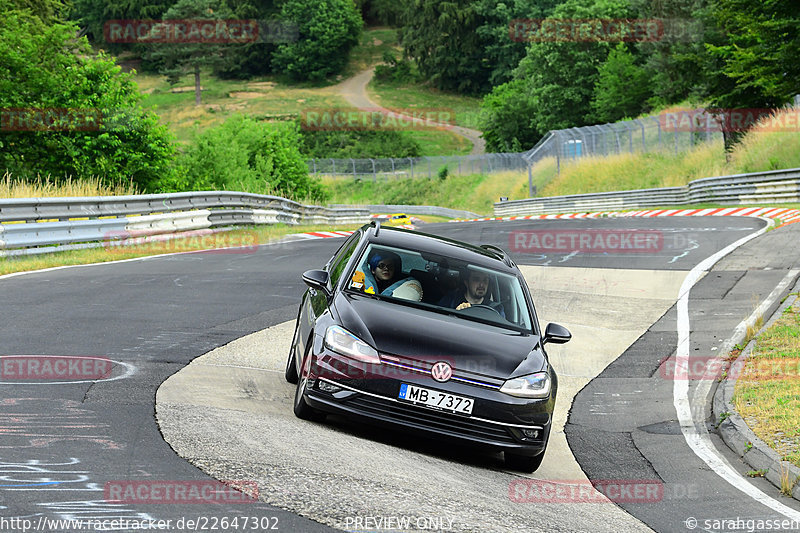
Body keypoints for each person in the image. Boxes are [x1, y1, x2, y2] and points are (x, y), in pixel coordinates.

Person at [438, 269, 505, 318]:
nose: (481, 284)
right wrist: (455, 314)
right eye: (476, 279)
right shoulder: (450, 301)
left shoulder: (496, 309)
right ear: (466, 282)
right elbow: (438, 320)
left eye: (485, 280)